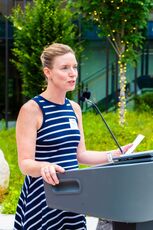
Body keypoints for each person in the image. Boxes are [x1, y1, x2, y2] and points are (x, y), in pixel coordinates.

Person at [14, 43, 132, 230]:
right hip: (43, 198)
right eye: (65, 68)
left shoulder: (74, 109)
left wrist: (114, 155)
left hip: (73, 194)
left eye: (75, 67)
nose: (73, 73)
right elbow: (25, 164)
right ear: (48, 72)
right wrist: (46, 166)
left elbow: (80, 154)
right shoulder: (32, 110)